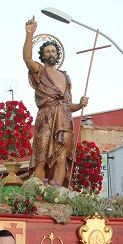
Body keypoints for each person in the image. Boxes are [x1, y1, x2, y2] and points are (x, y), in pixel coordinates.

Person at [23, 16, 89, 187]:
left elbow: (68, 106)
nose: (51, 54)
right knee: (42, 156)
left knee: (61, 157)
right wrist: (29, 34)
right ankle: (37, 191)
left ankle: (57, 192)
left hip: (64, 120)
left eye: (53, 51)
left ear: (57, 54)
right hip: (46, 117)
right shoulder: (40, 71)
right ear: (43, 55)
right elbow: (27, 59)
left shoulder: (65, 77)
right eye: (47, 51)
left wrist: (80, 105)